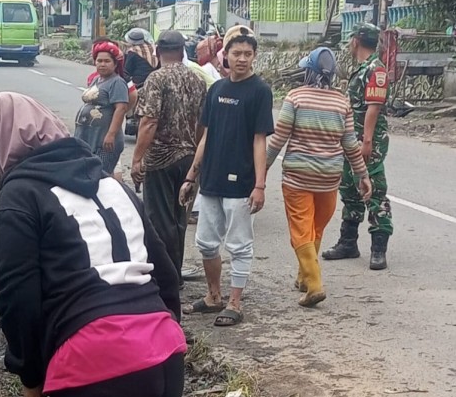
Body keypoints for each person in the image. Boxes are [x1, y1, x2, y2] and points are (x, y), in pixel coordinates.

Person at [0, 92, 185, 397]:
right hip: (165, 359)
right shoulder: (110, 183)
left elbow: (17, 297)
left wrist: (29, 373)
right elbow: (166, 273)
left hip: (99, 372)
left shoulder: (19, 197)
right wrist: (163, 339)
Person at [179, 25, 274, 326]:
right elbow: (206, 136)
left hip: (242, 184)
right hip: (211, 181)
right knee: (206, 243)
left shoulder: (260, 91)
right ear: (226, 56)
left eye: (248, 54)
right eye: (237, 53)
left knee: (239, 245)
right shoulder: (217, 89)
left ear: (254, 57)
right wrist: (191, 176)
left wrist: (259, 185)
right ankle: (213, 296)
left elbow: (261, 140)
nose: (242, 58)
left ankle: (234, 302)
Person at [267, 47, 372, 307]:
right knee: (315, 226)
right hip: (329, 179)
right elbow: (350, 144)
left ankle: (314, 285)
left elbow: (278, 140)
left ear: (308, 72)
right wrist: (363, 175)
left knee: (302, 228)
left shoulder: (295, 98)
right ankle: (303, 276)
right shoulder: (341, 101)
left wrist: (260, 170)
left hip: (297, 178)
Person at [131, 30, 207, 286]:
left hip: (161, 158)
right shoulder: (197, 80)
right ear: (183, 51)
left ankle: (164, 278)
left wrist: (137, 158)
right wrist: (194, 152)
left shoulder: (156, 79)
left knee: (159, 221)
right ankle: (174, 274)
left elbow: (149, 121)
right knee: (179, 221)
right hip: (188, 159)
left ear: (157, 51)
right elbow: (201, 125)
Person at [322, 23, 393, 270]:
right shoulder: (364, 68)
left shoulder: (376, 69)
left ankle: (378, 248)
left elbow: (373, 107)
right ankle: (348, 242)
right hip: (353, 138)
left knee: (373, 188)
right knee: (350, 187)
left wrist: (367, 141)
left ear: (356, 41)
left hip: (366, 140)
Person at [75, 40, 130, 174]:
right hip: (89, 137)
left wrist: (110, 134)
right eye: (99, 61)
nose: (102, 64)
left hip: (104, 141)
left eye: (107, 61)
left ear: (115, 63)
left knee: (100, 175)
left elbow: (121, 109)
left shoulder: (117, 82)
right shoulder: (97, 80)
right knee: (86, 174)